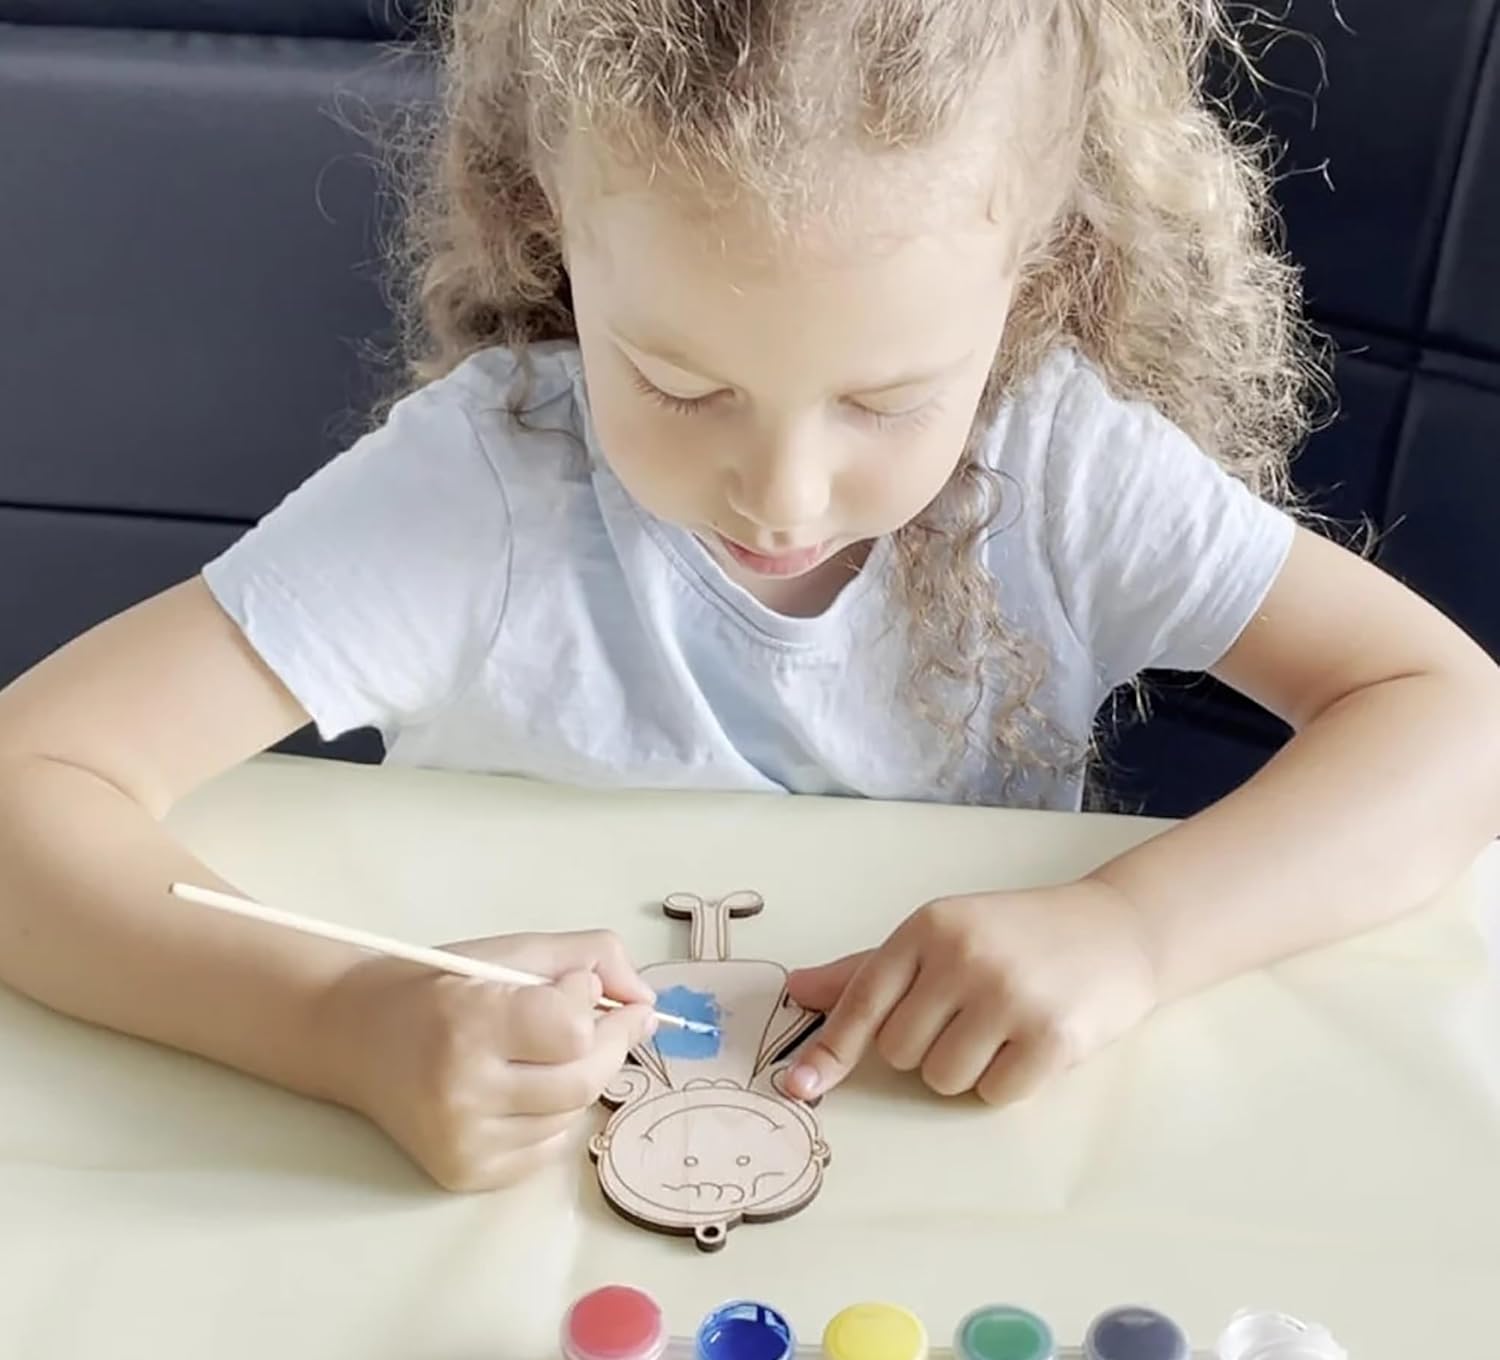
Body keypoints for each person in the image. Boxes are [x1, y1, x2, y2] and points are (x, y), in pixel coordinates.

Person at [1, 0, 1497, 1193]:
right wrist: (344, 1022)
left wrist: (1136, 931)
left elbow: (1453, 720)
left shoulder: (1064, 470)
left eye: (889, 399)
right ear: (552, 231)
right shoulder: (479, 493)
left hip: (947, 1193)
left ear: (1039, 275)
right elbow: (27, 789)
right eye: (680, 382)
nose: (779, 498)